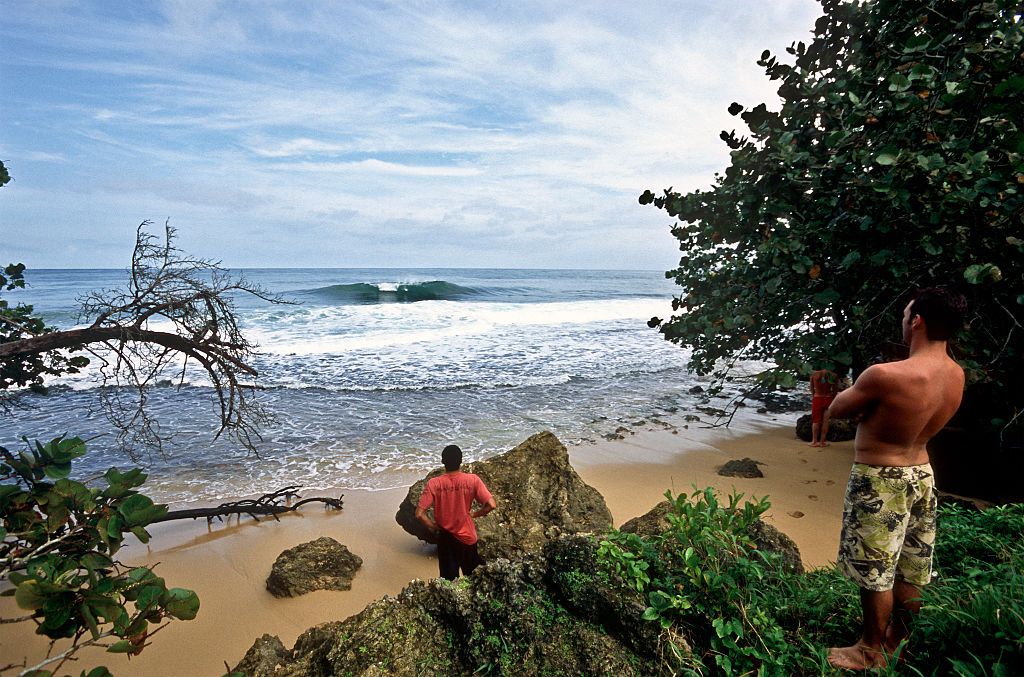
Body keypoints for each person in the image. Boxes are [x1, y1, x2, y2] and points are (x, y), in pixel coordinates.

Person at [825, 287, 966, 670]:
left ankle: (869, 650)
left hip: (879, 478)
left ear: (916, 321)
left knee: (875, 570)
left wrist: (863, 404)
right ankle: (895, 641)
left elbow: (837, 408)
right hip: (922, 473)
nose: (903, 321)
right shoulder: (956, 375)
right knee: (911, 565)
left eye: (906, 315)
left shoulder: (886, 374)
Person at [415, 444, 497, 580]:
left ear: (443, 461)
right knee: (472, 580)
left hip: (446, 538)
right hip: (468, 538)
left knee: (448, 582)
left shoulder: (434, 483)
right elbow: (492, 505)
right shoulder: (473, 480)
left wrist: (433, 526)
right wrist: (475, 514)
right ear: (461, 460)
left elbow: (419, 514)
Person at [808, 366, 841, 447]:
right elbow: (835, 390)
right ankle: (822, 442)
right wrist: (832, 398)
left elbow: (812, 388)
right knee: (825, 421)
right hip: (828, 398)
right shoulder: (834, 375)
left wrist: (814, 396)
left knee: (816, 421)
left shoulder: (814, 375)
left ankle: (814, 442)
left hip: (818, 398)